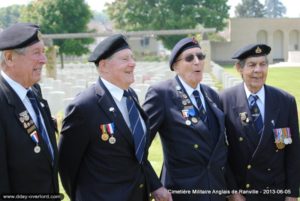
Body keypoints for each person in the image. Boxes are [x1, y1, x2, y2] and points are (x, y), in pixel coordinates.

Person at [58, 34, 172, 201]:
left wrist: (155, 185)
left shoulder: (130, 96)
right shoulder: (84, 106)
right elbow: (67, 165)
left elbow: (138, 153)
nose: (133, 63)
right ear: (104, 66)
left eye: (132, 58)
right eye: (125, 59)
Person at [143, 37, 229, 201]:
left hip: (216, 190)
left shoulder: (211, 95)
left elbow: (221, 148)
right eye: (189, 58)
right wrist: (155, 185)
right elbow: (140, 146)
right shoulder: (162, 94)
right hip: (182, 192)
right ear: (176, 66)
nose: (197, 61)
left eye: (200, 56)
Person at [220, 44, 300, 201]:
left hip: (275, 191)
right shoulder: (224, 100)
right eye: (252, 65)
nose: (258, 70)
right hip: (241, 192)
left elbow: (293, 151)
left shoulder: (285, 101)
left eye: (263, 64)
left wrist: (292, 192)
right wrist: (232, 191)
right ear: (239, 68)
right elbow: (220, 151)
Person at [0, 23, 59, 199]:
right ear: (9, 58)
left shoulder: (34, 92)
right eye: (36, 53)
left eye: (43, 52)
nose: (44, 60)